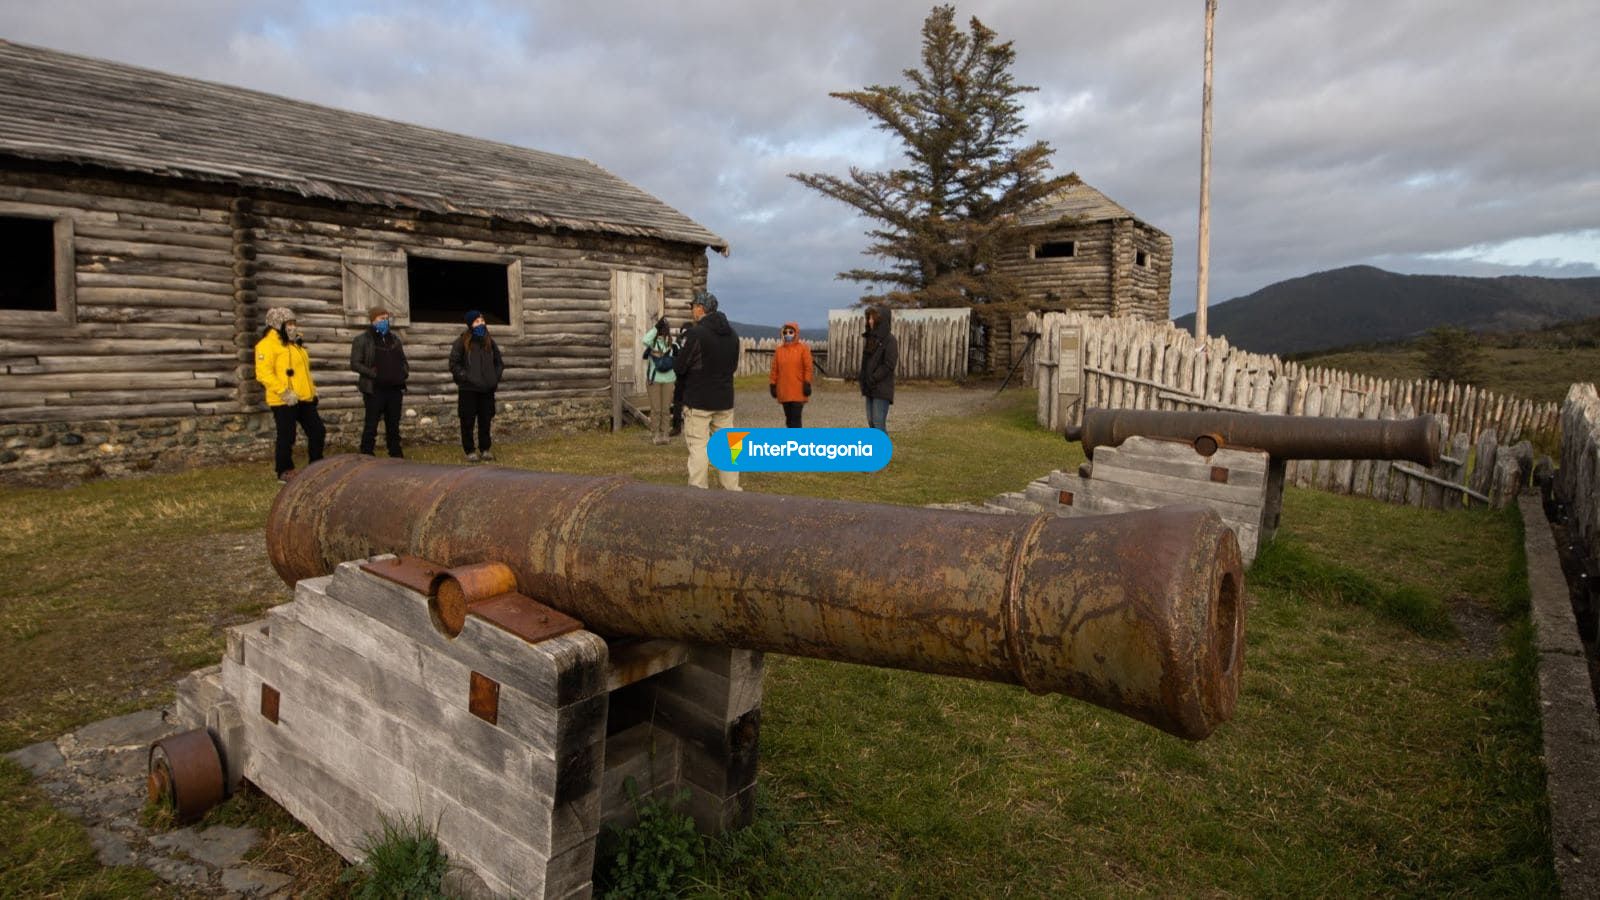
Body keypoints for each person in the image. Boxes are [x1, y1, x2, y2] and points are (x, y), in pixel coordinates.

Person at [674, 291, 741, 489]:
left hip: (698, 399)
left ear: (701, 308)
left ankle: (698, 492)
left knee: (699, 446)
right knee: (729, 446)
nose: (691, 310)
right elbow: (733, 366)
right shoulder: (733, 335)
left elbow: (680, 367)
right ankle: (733, 489)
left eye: (692, 306)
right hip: (725, 399)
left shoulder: (696, 334)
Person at [254, 306, 325, 483]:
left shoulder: (295, 345)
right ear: (277, 324)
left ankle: (316, 466)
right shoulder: (266, 345)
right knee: (287, 436)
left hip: (303, 397)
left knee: (318, 431)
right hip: (283, 400)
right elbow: (263, 373)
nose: (293, 327)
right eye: (289, 323)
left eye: (294, 323)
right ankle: (284, 470)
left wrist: (313, 391)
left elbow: (303, 372)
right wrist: (283, 392)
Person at [349, 306, 408, 458]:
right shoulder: (362, 340)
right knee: (371, 424)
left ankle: (395, 453)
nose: (385, 321)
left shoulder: (394, 339)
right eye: (381, 318)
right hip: (374, 389)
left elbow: (403, 361)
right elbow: (355, 363)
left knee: (393, 424)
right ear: (373, 320)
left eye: (386, 318)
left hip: (394, 389)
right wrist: (372, 373)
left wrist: (403, 373)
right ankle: (366, 453)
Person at [449, 310, 504, 462]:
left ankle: (485, 449)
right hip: (469, 390)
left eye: (482, 321)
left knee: (485, 420)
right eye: (477, 322)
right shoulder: (462, 342)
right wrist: (466, 378)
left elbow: (499, 363)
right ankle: (469, 450)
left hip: (487, 389)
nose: (481, 324)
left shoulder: (489, 342)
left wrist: (494, 378)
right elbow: (454, 364)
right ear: (470, 324)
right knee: (467, 421)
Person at [640, 315, 677, 445]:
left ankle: (665, 434)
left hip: (669, 379)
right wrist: (656, 328)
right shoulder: (652, 343)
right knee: (656, 409)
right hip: (654, 380)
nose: (663, 331)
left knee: (666, 409)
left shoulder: (672, 344)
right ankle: (655, 434)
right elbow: (645, 339)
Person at [859, 304, 897, 432]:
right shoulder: (870, 339)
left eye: (872, 318)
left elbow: (889, 364)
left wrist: (873, 378)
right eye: (869, 318)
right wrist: (863, 379)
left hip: (882, 388)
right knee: (871, 422)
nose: (870, 321)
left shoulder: (890, 340)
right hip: (869, 387)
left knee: (878, 423)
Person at [769, 321, 814, 427]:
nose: (788, 334)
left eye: (790, 332)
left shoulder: (803, 349)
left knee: (796, 420)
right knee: (788, 419)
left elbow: (808, 367)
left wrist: (807, 382)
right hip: (784, 390)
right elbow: (775, 369)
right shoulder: (779, 351)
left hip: (798, 390)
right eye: (785, 332)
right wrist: (772, 384)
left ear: (796, 333)